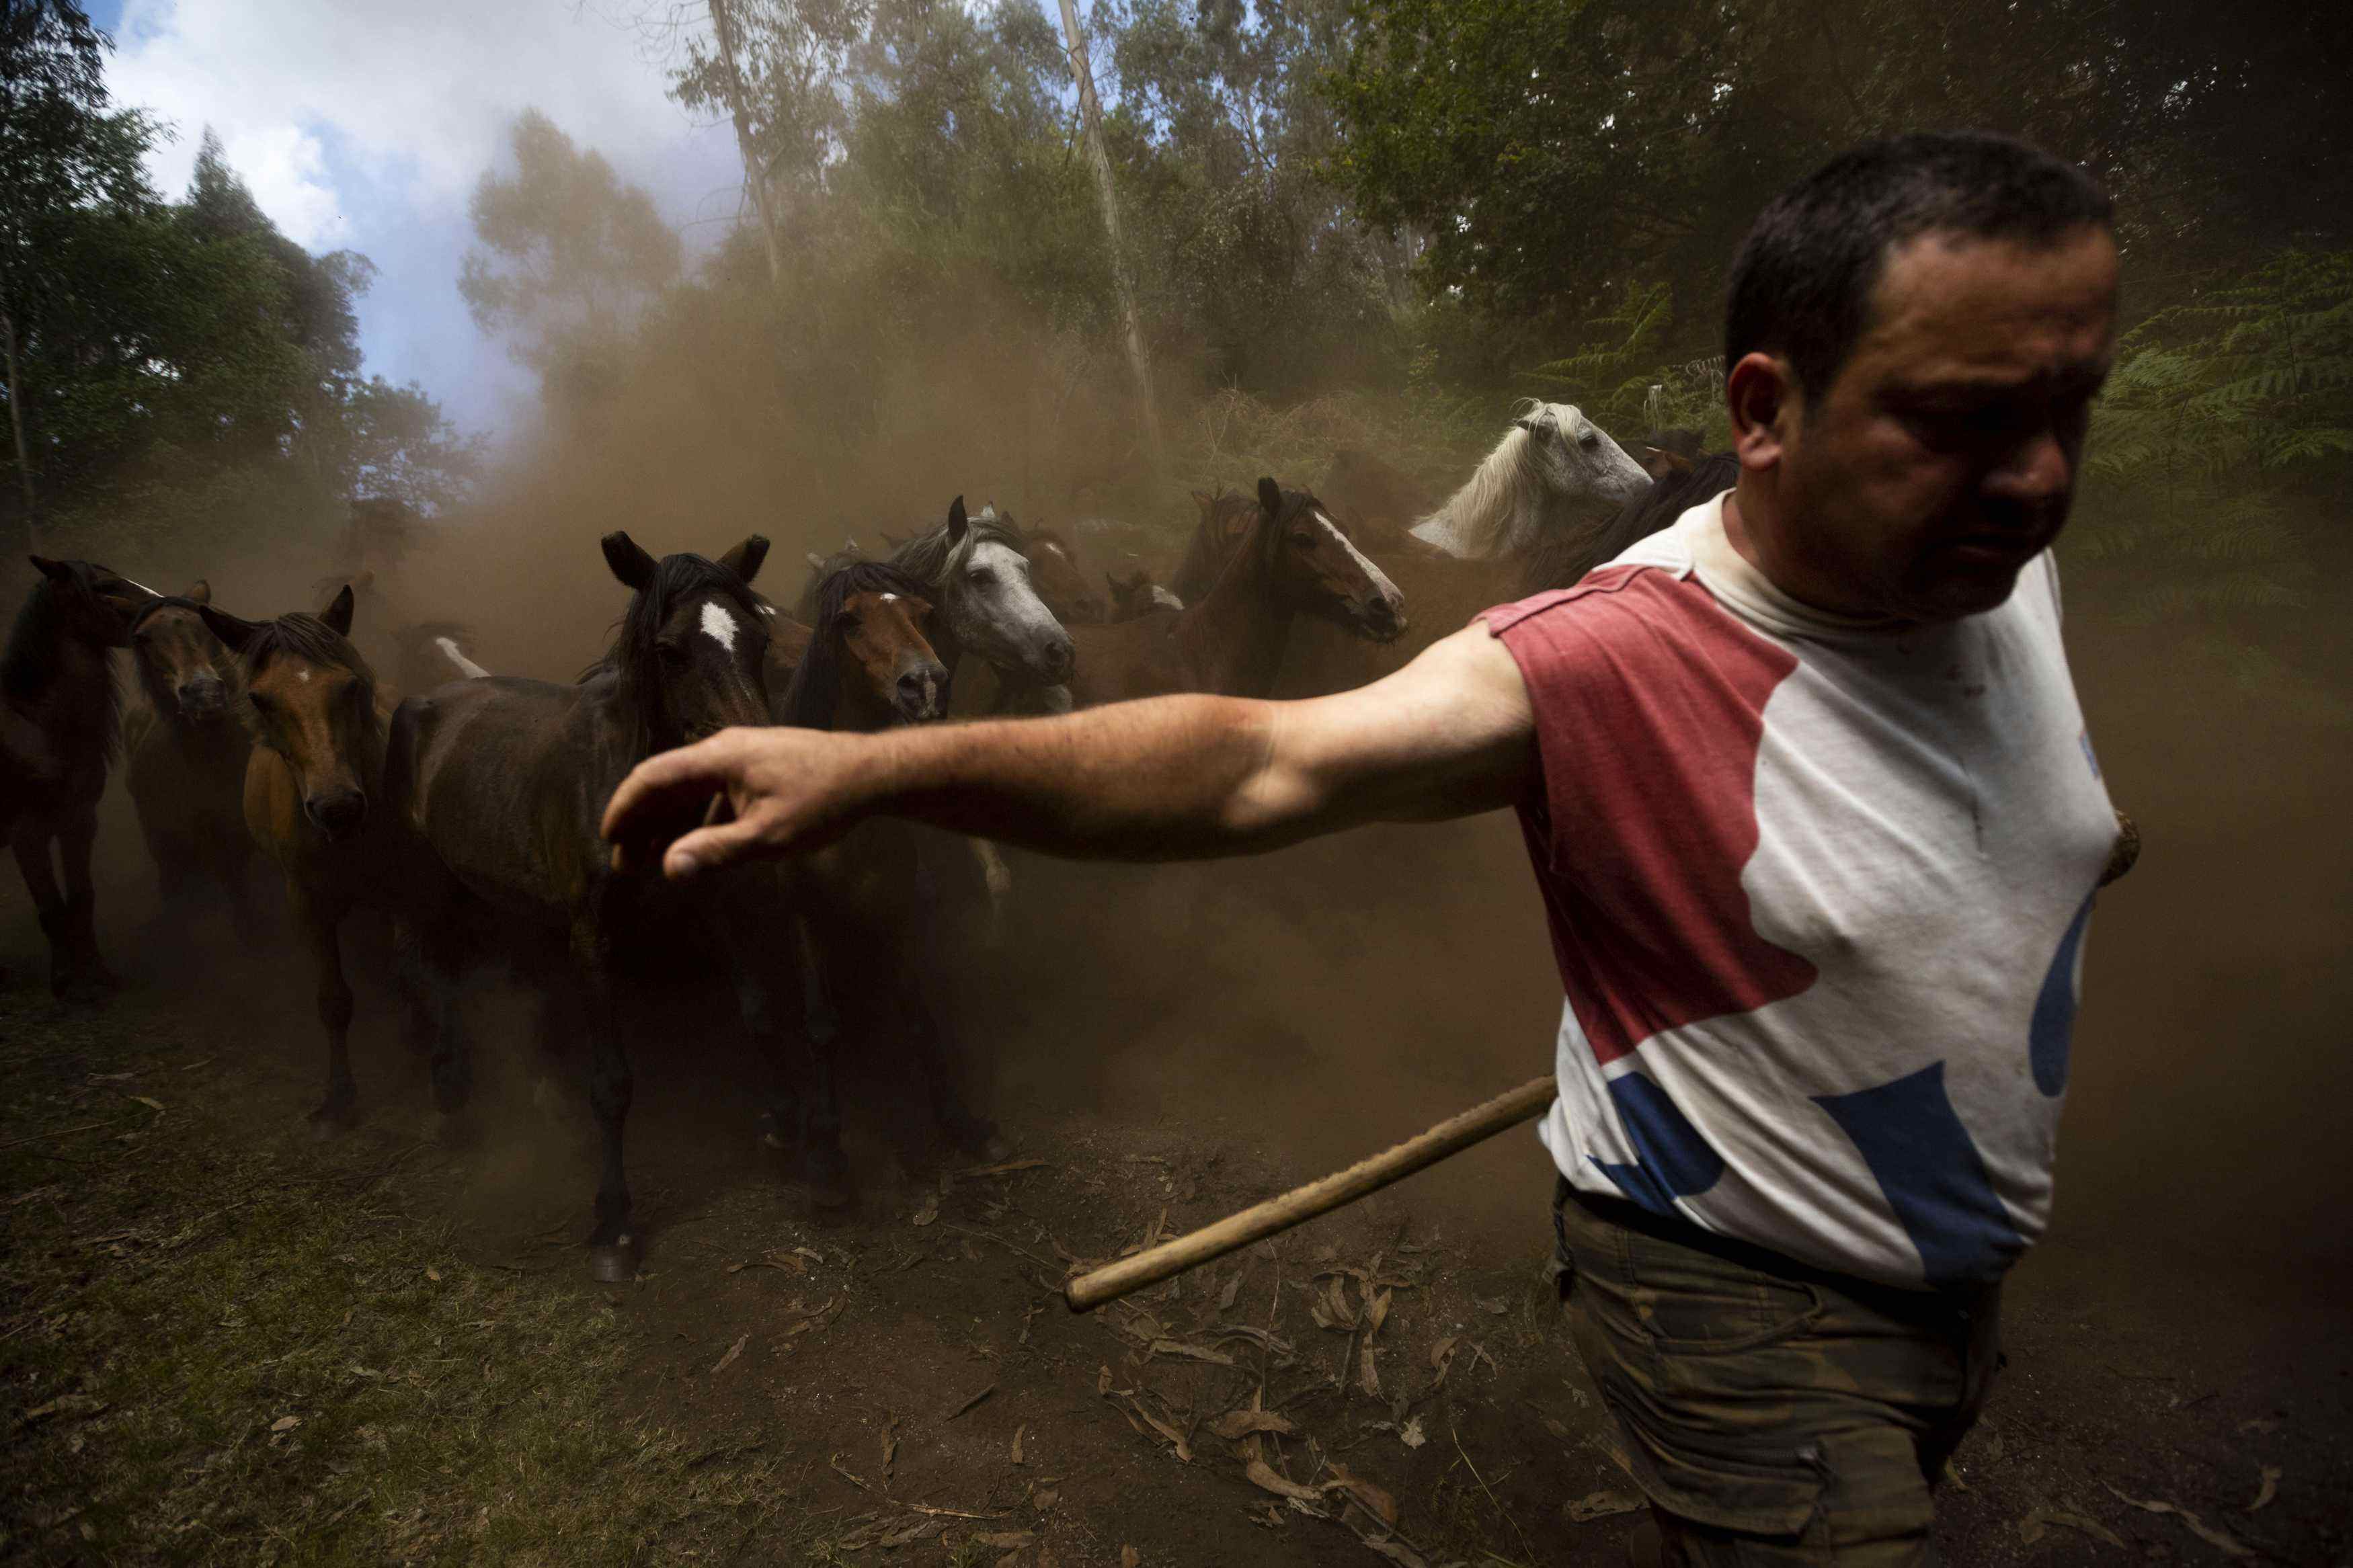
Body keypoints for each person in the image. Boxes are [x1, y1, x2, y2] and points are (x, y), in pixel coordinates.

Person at [604, 132, 2130, 1565]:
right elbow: (1258, 762)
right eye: (1957, 418)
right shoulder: (1597, 655)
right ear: (1761, 410)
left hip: (1961, 1271)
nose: (2039, 476)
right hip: (1745, 1299)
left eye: (2072, 407)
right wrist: (873, 772)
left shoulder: (1998, 558)